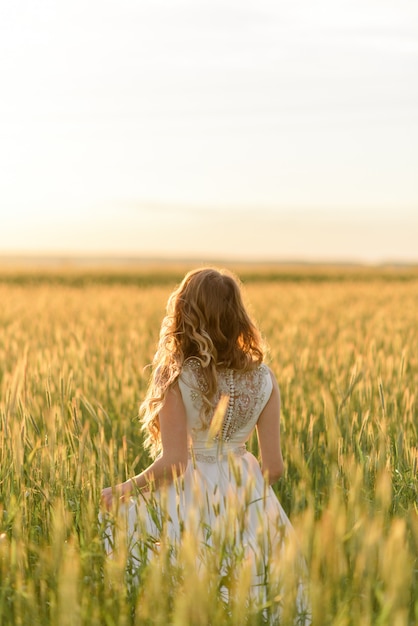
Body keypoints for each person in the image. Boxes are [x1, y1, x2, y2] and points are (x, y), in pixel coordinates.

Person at [101, 267, 310, 622]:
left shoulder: (176, 373)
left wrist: (121, 490)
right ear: (237, 315)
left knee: (184, 587)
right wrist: (245, 492)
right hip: (246, 493)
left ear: (185, 312)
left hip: (190, 497)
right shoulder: (264, 377)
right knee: (255, 591)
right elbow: (274, 467)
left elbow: (175, 463)